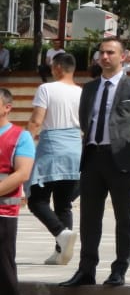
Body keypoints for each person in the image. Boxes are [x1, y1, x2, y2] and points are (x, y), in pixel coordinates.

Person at [64, 35, 130, 288]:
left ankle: (119, 269)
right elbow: (85, 119)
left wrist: (129, 141)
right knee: (89, 218)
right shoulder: (90, 88)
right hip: (93, 157)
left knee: (123, 216)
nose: (105, 57)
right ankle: (86, 269)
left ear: (123, 56)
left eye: (111, 53)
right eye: (101, 53)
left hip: (122, 160)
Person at [26, 50, 81, 267]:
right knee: (63, 203)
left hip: (52, 147)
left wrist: (23, 142)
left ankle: (61, 233)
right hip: (75, 148)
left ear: (57, 67)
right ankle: (61, 252)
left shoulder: (46, 88)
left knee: (36, 199)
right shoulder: (81, 91)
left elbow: (36, 120)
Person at [0, 88, 35, 295]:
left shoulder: (20, 137)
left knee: (3, 268)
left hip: (3, 212)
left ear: (7, 107)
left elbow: (21, 173)